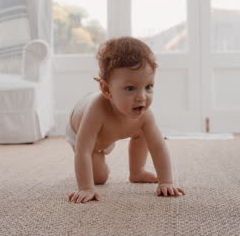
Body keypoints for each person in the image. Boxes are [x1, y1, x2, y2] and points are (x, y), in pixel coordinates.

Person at [66, 37, 186, 203]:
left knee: (144, 132)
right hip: (84, 134)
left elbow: (158, 147)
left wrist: (166, 182)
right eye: (130, 88)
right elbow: (82, 150)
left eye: (148, 86)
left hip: (114, 126)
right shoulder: (96, 110)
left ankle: (137, 171)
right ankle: (98, 163)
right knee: (99, 178)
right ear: (107, 90)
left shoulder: (145, 114)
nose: (142, 97)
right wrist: (86, 187)